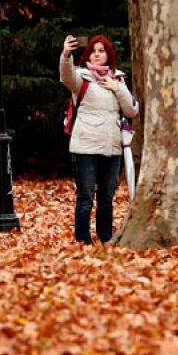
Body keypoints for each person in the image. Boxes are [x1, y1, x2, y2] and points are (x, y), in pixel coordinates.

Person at [59, 34, 138, 243]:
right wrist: (66, 54)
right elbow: (66, 76)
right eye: (93, 51)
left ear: (108, 55)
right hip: (85, 147)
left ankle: (105, 238)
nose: (96, 55)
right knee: (85, 198)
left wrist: (117, 88)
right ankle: (83, 240)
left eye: (101, 51)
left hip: (112, 148)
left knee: (106, 199)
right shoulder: (81, 77)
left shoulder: (118, 79)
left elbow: (132, 110)